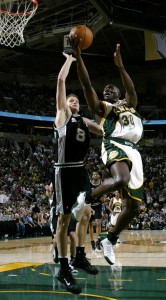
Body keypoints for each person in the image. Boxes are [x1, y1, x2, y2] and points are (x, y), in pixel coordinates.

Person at [70, 40, 144, 266]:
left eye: (111, 88)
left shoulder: (129, 104)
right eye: (105, 90)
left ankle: (109, 239)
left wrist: (121, 67)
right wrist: (79, 56)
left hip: (134, 152)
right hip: (114, 144)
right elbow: (86, 86)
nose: (107, 90)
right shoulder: (106, 109)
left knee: (135, 207)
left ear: (119, 93)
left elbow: (131, 90)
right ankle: (85, 198)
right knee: (120, 179)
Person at [53, 52, 102, 294]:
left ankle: (79, 256)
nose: (74, 102)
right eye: (71, 100)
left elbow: (104, 130)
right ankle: (63, 268)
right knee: (63, 221)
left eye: (76, 101)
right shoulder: (63, 116)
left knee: (87, 214)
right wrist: (70, 61)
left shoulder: (83, 121)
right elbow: (61, 83)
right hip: (64, 172)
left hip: (81, 171)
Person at [88, 171, 102, 251]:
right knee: (90, 224)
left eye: (96, 174)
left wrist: (104, 197)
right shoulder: (89, 184)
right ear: (92, 176)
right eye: (93, 174)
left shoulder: (101, 183)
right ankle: (92, 242)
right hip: (90, 205)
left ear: (99, 176)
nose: (95, 175)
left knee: (98, 223)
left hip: (98, 205)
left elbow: (104, 192)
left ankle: (98, 241)